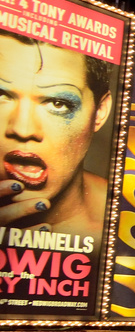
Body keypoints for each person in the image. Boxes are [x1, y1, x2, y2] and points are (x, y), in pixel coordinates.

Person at [0, 27, 119, 239]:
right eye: (2, 96)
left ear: (99, 112)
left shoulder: (130, 229)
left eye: (58, 103)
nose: (23, 129)